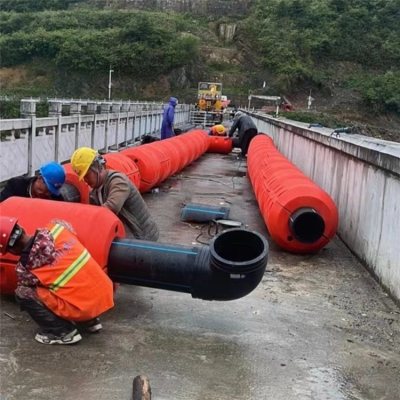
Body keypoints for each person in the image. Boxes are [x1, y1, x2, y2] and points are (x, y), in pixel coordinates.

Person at [0, 217, 114, 345]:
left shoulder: (25, 269)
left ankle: (61, 332)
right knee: (70, 277)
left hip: (83, 308)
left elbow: (29, 286)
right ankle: (90, 321)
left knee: (23, 292)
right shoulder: (58, 228)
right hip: (105, 293)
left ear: (12, 250)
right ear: (22, 229)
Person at [70, 147, 159, 241]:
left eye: (87, 175)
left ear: (98, 167)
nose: (85, 180)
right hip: (127, 238)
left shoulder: (118, 181)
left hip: (143, 238)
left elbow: (111, 208)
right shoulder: (94, 193)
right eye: (83, 177)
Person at [0, 162, 66, 203]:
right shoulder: (16, 185)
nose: (48, 193)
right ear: (39, 179)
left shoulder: (55, 197)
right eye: (47, 189)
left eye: (51, 191)